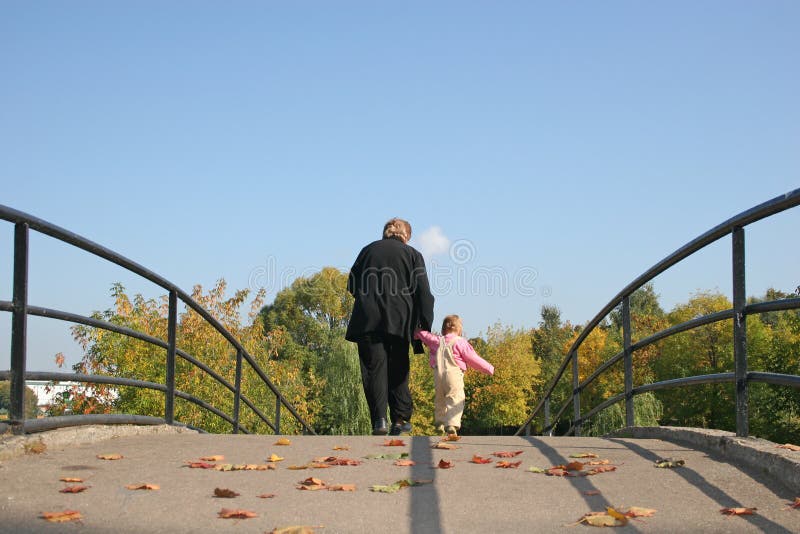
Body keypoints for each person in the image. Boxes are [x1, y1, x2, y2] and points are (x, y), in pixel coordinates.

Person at [345, 218, 435, 436]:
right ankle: (400, 419)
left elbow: (352, 285)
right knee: (398, 368)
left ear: (386, 232)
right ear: (406, 235)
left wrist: (368, 298)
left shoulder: (367, 251)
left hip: (368, 321)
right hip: (400, 320)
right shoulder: (412, 255)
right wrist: (425, 325)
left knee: (373, 370)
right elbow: (423, 293)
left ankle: (379, 421)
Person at [414, 314, 494, 436]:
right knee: (455, 398)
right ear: (459, 330)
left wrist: (418, 332)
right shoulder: (460, 342)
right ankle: (451, 424)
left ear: (442, 330)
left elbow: (426, 337)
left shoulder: (437, 341)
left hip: (438, 375)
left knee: (440, 398)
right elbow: (473, 359)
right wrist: (488, 368)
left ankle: (439, 421)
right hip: (454, 375)